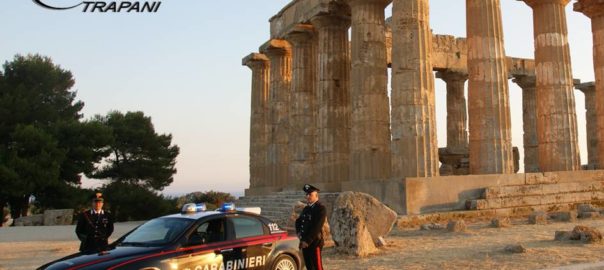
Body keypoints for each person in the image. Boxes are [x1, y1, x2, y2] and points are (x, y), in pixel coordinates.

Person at [295, 184, 327, 270]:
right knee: (309, 266)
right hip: (304, 242)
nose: (308, 196)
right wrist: (299, 233)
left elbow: (317, 226)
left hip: (314, 242)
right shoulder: (306, 208)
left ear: (316, 195)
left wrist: (307, 241)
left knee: (317, 267)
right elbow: (298, 221)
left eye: (310, 194)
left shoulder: (320, 209)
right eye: (307, 194)